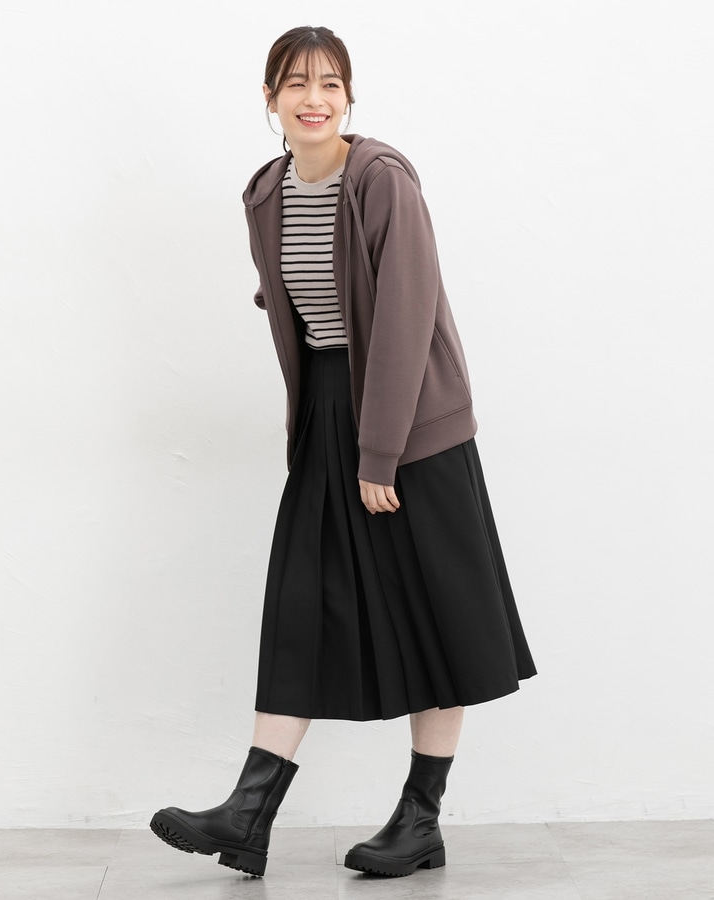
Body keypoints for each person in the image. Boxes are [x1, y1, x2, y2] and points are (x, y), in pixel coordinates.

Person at [150, 24, 537, 879]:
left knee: (435, 616)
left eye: (330, 83)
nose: (314, 98)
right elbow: (295, 295)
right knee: (299, 602)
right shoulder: (267, 191)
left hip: (411, 422)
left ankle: (420, 818)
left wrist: (380, 454)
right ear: (270, 99)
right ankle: (248, 813)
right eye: (296, 83)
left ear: (349, 96)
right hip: (328, 413)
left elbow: (402, 319)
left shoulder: (382, 180)